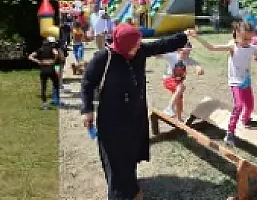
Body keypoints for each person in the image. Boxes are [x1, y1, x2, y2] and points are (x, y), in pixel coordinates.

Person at [80, 25, 192, 200]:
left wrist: (183, 35)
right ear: (121, 44)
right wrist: (87, 110)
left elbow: (161, 45)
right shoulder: (104, 57)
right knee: (116, 159)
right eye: (133, 45)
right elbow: (87, 83)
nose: (137, 47)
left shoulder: (139, 50)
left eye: (138, 43)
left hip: (135, 115)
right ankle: (120, 195)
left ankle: (130, 187)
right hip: (112, 119)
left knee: (130, 153)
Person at [191, 23, 257, 147]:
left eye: (250, 39)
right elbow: (212, 47)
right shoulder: (232, 46)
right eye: (245, 39)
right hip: (235, 82)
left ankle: (245, 120)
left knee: (250, 106)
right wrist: (197, 37)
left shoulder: (251, 48)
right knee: (239, 105)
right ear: (237, 35)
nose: (247, 41)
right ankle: (230, 132)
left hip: (246, 81)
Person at [161, 43, 203, 121]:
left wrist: (199, 68)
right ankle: (169, 108)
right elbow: (160, 55)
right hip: (168, 79)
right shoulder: (172, 56)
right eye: (184, 52)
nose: (186, 55)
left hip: (178, 82)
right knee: (181, 87)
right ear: (179, 50)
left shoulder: (187, 59)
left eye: (188, 53)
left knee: (179, 99)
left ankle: (179, 118)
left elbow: (196, 64)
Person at [30, 37, 62, 109]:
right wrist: (54, 60)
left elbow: (30, 56)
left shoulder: (40, 49)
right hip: (50, 68)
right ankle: (57, 101)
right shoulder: (52, 48)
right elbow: (56, 53)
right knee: (56, 84)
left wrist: (38, 61)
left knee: (43, 87)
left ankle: (44, 104)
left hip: (43, 69)